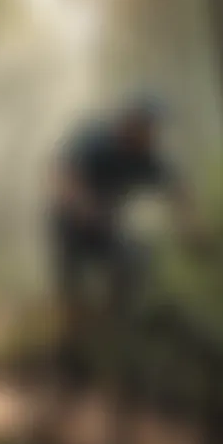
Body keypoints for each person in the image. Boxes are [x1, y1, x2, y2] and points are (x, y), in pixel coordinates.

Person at [47, 94, 202, 390]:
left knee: (136, 262)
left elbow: (179, 189)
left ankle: (117, 334)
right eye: (146, 126)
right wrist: (81, 205)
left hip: (105, 223)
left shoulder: (146, 155)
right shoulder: (95, 140)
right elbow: (63, 175)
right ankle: (72, 352)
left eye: (155, 127)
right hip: (68, 225)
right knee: (73, 289)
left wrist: (193, 228)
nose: (152, 133)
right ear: (129, 123)